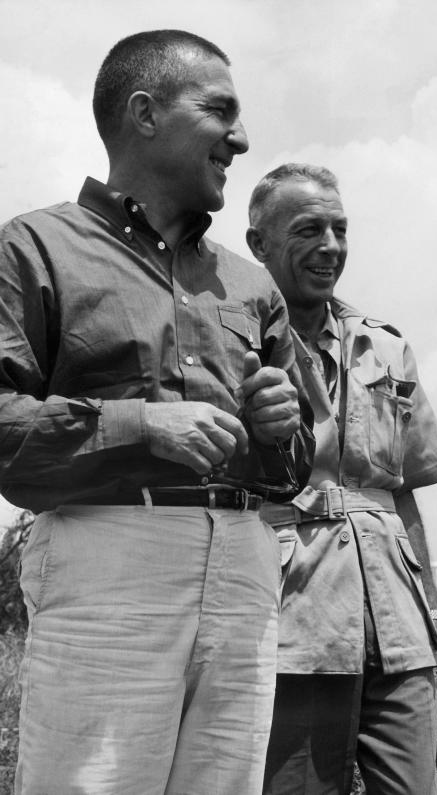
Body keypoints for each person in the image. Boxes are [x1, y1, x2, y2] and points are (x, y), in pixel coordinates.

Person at [0, 30, 314, 794]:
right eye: (220, 111)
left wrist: (281, 428)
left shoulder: (251, 287)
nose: (240, 139)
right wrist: (140, 423)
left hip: (244, 562)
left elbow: (293, 462)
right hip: (106, 557)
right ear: (144, 113)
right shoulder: (34, 247)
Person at [246, 163, 437, 795]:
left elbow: (403, 491)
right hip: (292, 617)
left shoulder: (384, 345)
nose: (330, 247)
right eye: (309, 229)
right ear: (259, 244)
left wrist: (435, 622)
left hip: (399, 622)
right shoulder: (234, 340)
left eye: (340, 230)